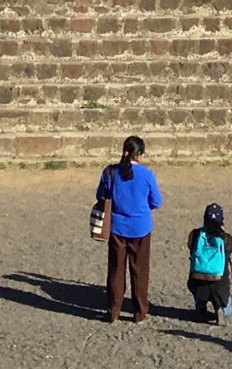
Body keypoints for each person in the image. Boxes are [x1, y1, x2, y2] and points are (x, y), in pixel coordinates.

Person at [97, 135, 163, 322]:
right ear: (139, 155)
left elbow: (101, 195)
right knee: (140, 271)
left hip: (117, 227)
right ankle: (140, 312)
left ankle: (113, 310)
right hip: (141, 227)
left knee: (116, 270)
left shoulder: (110, 172)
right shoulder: (147, 174)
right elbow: (156, 202)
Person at [187, 202, 232, 322]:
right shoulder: (227, 238)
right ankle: (219, 307)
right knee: (228, 312)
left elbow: (190, 248)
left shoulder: (195, 235)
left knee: (197, 286)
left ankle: (201, 308)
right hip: (220, 285)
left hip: (198, 283)